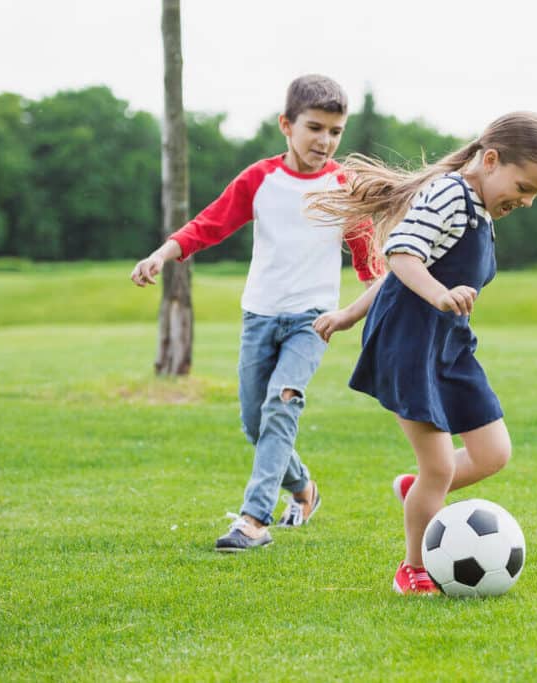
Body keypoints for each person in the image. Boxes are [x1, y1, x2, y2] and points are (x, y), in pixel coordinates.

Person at [309, 112, 537, 594]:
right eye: (524, 185)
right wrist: (438, 296)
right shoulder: (450, 193)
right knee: (440, 466)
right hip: (408, 343)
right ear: (490, 160)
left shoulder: (482, 208)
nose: (527, 201)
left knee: (493, 453)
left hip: (448, 345)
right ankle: (413, 567)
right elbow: (402, 255)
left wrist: (349, 313)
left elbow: (393, 275)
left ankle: (418, 493)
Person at [129, 74, 378, 552]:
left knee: (282, 404)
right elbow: (209, 225)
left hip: (313, 320)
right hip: (260, 316)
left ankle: (253, 520)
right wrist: (160, 255)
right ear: (287, 124)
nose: (325, 141)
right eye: (315, 128)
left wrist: (364, 310)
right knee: (254, 421)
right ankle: (304, 488)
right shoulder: (260, 179)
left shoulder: (346, 188)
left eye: (335, 131)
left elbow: (372, 265)